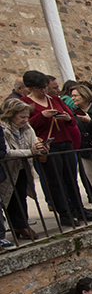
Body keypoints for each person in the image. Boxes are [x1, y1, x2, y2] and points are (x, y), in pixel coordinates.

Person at [21, 70, 89, 227]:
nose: (44, 90)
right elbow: (26, 125)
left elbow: (72, 119)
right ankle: (65, 212)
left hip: (65, 141)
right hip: (47, 146)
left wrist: (66, 118)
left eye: (44, 87)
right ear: (31, 87)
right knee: (55, 181)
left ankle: (79, 209)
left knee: (71, 178)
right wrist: (42, 116)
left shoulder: (55, 99)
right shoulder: (26, 102)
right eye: (40, 88)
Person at [1, 98, 46, 240]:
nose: (26, 120)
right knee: (8, 197)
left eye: (27, 116)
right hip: (7, 170)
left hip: (22, 167)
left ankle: (21, 224)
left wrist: (40, 148)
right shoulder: (3, 129)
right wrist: (30, 152)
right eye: (22, 117)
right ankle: (15, 226)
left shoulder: (27, 128)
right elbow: (6, 152)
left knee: (21, 196)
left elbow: (33, 142)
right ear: (11, 114)